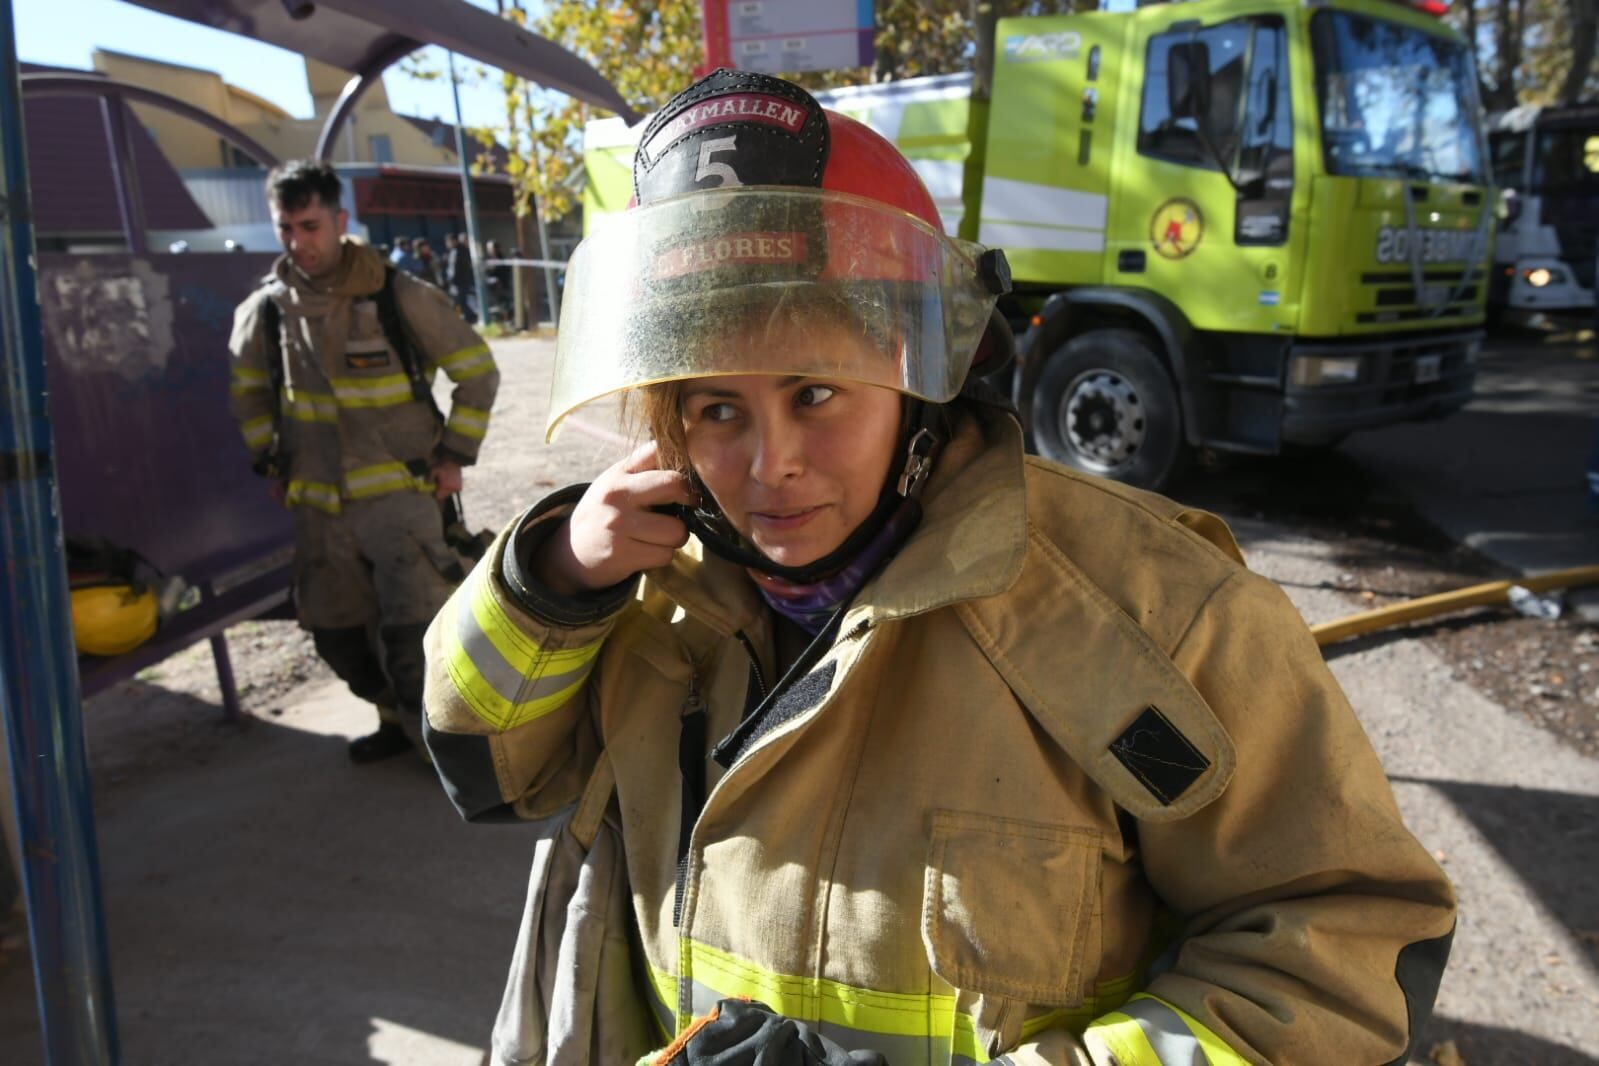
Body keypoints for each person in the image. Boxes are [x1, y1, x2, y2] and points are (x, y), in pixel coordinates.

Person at [422, 71, 1455, 1063]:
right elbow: (491, 771)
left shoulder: (1145, 610)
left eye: (816, 393)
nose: (768, 464)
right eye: (716, 408)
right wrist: (549, 581)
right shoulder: (644, 579)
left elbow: (1346, 948)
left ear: (917, 380)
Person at [230, 160, 500, 763]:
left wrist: (455, 454)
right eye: (285, 228)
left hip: (402, 505)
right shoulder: (266, 313)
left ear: (340, 221)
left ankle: (442, 751)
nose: (299, 242)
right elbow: (247, 392)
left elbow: (477, 372)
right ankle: (394, 720)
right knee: (340, 638)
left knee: (416, 635)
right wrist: (270, 462)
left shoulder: (397, 295)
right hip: (319, 512)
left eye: (310, 225)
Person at [446, 232, 478, 324]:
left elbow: (454, 269)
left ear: (453, 241)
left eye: (448, 242)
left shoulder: (456, 252)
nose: (447, 244)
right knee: (460, 302)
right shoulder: (463, 250)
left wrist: (449, 280)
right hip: (463, 281)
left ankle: (469, 317)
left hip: (458, 282)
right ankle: (469, 317)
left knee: (458, 302)